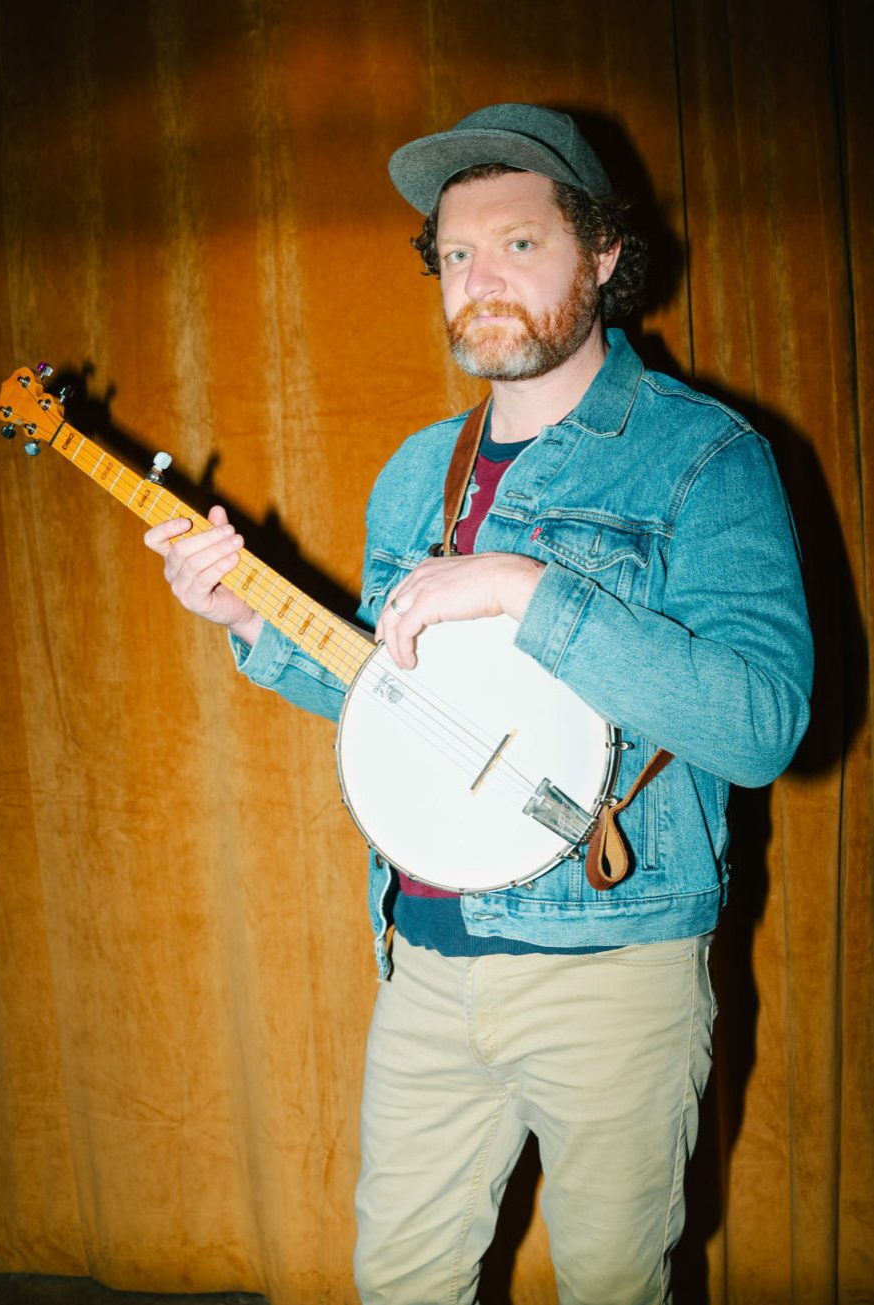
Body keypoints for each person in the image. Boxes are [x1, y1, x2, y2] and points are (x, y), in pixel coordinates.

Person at [145, 104, 812, 1305]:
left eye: (517, 246)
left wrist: (529, 591)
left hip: (614, 965)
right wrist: (250, 619)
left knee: (613, 1287)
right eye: (456, 255)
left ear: (603, 255)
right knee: (399, 1283)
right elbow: (395, 695)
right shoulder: (416, 474)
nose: (479, 281)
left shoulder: (705, 459)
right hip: (426, 963)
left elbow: (760, 727)